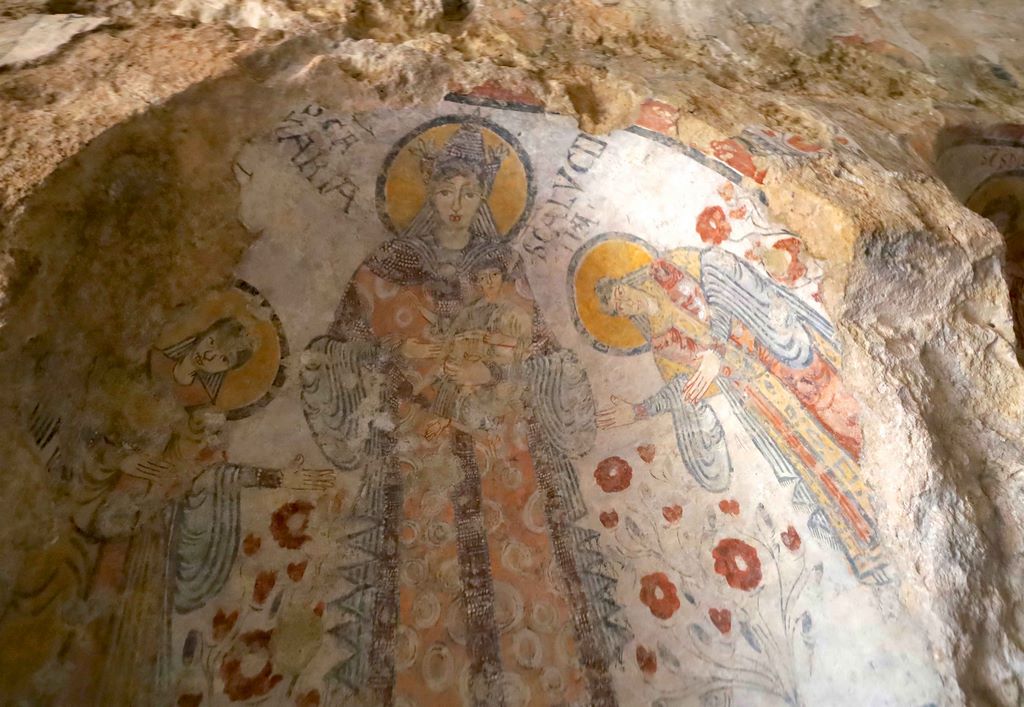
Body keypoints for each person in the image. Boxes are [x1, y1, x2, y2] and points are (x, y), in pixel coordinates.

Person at [301, 122, 625, 706]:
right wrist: (399, 358)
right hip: (419, 460)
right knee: (426, 588)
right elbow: (340, 352)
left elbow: (538, 348)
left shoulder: (501, 266)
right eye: (446, 191)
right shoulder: (387, 267)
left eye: (468, 193)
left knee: (528, 583)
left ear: (482, 199)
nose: (455, 205)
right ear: (429, 193)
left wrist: (523, 375)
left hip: (507, 457)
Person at [593, 246, 887, 584]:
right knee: (810, 459)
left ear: (625, 283)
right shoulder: (661, 341)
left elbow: (720, 291)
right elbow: (684, 386)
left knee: (836, 414)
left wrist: (715, 350)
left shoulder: (668, 275)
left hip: (770, 351)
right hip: (756, 392)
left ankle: (886, 476)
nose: (626, 303)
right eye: (619, 308)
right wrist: (638, 410)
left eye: (620, 294)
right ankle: (865, 536)